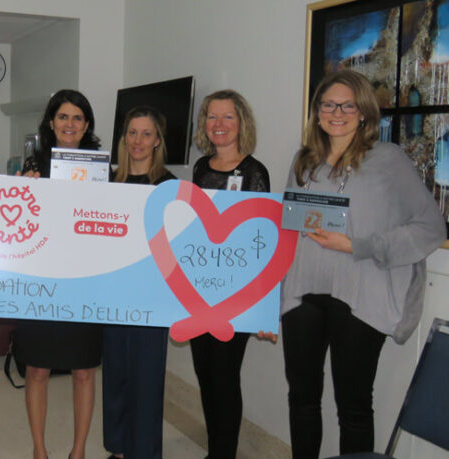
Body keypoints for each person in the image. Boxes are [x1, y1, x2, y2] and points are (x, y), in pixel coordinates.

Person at [279, 69, 445, 458]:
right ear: (317, 112)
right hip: (303, 294)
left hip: (359, 298)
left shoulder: (387, 159)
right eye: (328, 104)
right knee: (301, 399)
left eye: (347, 105)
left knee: (352, 408)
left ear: (364, 112)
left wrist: (360, 245)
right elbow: (290, 228)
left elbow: (430, 226)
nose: (337, 112)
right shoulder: (304, 160)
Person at [14, 89, 102, 459]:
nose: (70, 124)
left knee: (83, 371)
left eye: (77, 118)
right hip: (42, 281)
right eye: (63, 117)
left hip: (84, 280)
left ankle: (78, 450)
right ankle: (39, 449)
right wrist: (22, 191)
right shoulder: (32, 167)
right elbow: (19, 224)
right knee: (37, 369)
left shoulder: (102, 170)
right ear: (51, 123)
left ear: (86, 126)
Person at [189, 90, 270, 459]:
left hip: (234, 297)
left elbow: (260, 241)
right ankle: (214, 451)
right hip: (199, 294)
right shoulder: (200, 169)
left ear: (242, 124)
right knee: (205, 376)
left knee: (224, 378)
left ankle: (224, 454)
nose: (218, 125)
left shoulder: (255, 172)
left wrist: (260, 307)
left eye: (227, 118)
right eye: (211, 117)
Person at [102, 106, 176, 459]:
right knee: (115, 375)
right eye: (132, 133)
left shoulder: (170, 186)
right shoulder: (108, 183)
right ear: (124, 138)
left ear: (158, 140)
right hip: (113, 294)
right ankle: (118, 449)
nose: (138, 141)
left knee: (147, 380)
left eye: (146, 134)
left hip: (152, 296)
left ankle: (144, 452)